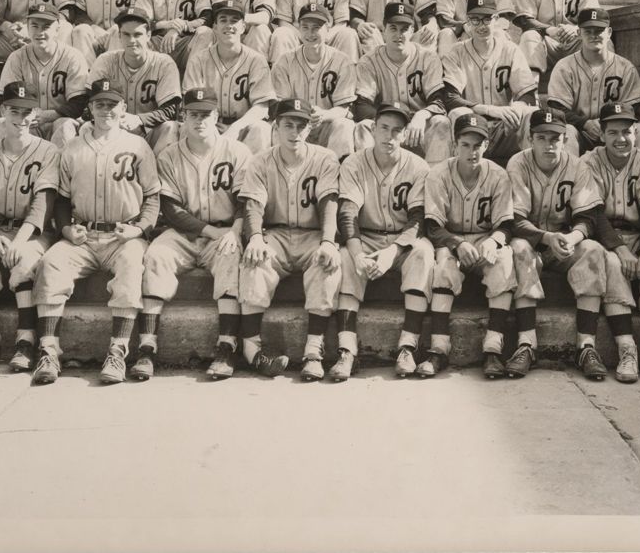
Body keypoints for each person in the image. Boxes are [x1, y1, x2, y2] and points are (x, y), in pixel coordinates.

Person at [32, 78, 161, 385]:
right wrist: (65, 228)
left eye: (112, 104)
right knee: (51, 264)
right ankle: (49, 351)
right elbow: (62, 199)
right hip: (84, 236)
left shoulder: (138, 145)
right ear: (89, 108)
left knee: (131, 267)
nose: (106, 110)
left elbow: (153, 196)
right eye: (99, 104)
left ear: (124, 108)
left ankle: (118, 351)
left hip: (123, 233)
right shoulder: (73, 147)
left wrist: (140, 229)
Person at [135, 88, 252, 381]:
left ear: (217, 117)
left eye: (206, 114)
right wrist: (212, 232)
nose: (200, 120)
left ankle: (227, 346)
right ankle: (146, 347)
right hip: (185, 232)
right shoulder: (169, 155)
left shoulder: (237, 151)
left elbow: (245, 201)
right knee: (156, 255)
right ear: (182, 118)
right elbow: (171, 210)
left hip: (226, 228)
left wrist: (236, 231)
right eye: (194, 114)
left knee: (230, 255)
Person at [236, 99, 342, 380]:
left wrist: (329, 241)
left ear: (309, 130)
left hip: (312, 234)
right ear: (275, 127)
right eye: (288, 125)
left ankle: (313, 352)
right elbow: (253, 206)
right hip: (277, 234)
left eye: (301, 126)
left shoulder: (325, 157)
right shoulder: (260, 160)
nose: (294, 132)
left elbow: (329, 201)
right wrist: (256, 237)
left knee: (328, 264)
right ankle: (252, 351)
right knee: (253, 260)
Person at [332, 102, 436, 381]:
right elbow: (347, 214)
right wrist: (356, 254)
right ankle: (346, 349)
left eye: (397, 131)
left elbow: (417, 220)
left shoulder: (417, 166)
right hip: (365, 236)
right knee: (343, 256)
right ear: (373, 129)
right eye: (384, 128)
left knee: (424, 253)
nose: (389, 136)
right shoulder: (354, 162)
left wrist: (392, 252)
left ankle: (407, 347)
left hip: (402, 241)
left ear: (404, 135)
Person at [0, 82, 60, 373]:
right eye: (15, 111)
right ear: (3, 111)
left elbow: (44, 203)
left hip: (33, 231)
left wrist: (18, 240)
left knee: (25, 260)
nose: (21, 118)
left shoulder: (48, 151)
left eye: (27, 111)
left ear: (35, 114)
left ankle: (25, 340)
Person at [506, 109, 609, 381]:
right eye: (542, 137)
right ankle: (527, 344)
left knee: (594, 250)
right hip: (533, 240)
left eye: (555, 138)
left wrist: (573, 238)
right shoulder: (518, 163)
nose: (549, 144)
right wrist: (547, 238)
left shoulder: (577, 166)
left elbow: (587, 218)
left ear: (565, 140)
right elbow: (514, 220)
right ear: (530, 139)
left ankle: (586, 347)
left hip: (564, 242)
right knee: (518, 248)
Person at [582, 103, 640, 385]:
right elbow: (594, 214)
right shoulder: (589, 161)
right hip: (605, 236)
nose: (621, 139)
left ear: (636, 133)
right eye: (613, 132)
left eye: (627, 131)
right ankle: (627, 349)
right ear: (602, 134)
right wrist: (621, 250)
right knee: (611, 264)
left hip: (638, 233)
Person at [425, 114, 518, 379]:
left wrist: (493, 240)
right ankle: (439, 348)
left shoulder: (499, 175)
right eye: (465, 144)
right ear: (455, 145)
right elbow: (432, 226)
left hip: (485, 239)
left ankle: (493, 349)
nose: (471, 151)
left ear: (486, 146)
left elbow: (507, 224)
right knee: (443, 264)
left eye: (477, 145)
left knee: (504, 260)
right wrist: (455, 243)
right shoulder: (439, 174)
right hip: (451, 238)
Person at [442, 0, 578, 164]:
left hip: (504, 127)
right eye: (475, 20)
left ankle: (533, 172)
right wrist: (491, 109)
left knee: (530, 113)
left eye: (487, 19)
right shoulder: (456, 52)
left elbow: (527, 95)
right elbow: (450, 98)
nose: (481, 25)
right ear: (467, 23)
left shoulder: (510, 50)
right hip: (472, 126)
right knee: (457, 113)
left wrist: (516, 108)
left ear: (496, 20)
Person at [547, 8, 640, 157]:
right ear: (578, 34)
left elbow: (633, 108)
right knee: (567, 132)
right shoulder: (564, 66)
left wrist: (609, 125)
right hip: (581, 133)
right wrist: (584, 124)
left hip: (617, 131)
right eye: (588, 31)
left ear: (609, 33)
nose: (594, 35)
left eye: (599, 30)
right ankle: (566, 179)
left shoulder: (625, 67)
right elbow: (558, 109)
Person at [354, 2, 452, 164]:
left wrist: (421, 116)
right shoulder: (369, 61)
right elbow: (362, 105)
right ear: (383, 30)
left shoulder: (427, 58)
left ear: (413, 31)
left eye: (404, 29)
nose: (398, 34)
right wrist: (388, 123)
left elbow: (439, 100)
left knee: (441, 123)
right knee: (364, 126)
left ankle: (435, 182)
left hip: (418, 127)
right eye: (393, 28)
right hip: (386, 124)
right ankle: (369, 180)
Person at [182, 0, 276, 156]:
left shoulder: (256, 60)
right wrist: (211, 126)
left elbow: (262, 106)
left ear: (243, 27)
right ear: (215, 27)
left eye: (234, 21)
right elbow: (192, 104)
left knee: (262, 129)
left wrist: (236, 127)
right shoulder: (198, 60)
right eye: (223, 20)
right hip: (208, 123)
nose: (229, 25)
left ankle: (251, 178)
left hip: (244, 126)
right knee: (185, 128)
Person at [86, 7, 182, 150]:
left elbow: (171, 110)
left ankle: (159, 171)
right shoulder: (105, 60)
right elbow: (88, 102)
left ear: (148, 35)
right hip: (112, 130)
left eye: (137, 34)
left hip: (149, 131)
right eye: (126, 34)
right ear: (119, 35)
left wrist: (139, 120)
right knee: (84, 127)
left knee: (170, 127)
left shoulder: (164, 63)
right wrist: (114, 121)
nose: (132, 40)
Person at [270, 3, 357, 160]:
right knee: (275, 127)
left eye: (316, 27)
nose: (310, 33)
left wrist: (325, 114)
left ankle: (337, 176)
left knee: (345, 125)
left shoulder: (342, 61)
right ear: (299, 29)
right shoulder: (284, 62)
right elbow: (280, 106)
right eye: (305, 27)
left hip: (326, 127)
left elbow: (344, 108)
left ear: (328, 28)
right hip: (295, 128)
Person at [0, 3, 89, 147]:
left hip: (61, 120)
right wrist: (27, 115)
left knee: (65, 127)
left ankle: (61, 169)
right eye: (34, 26)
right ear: (27, 28)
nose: (40, 32)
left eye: (46, 26)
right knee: (4, 126)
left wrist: (49, 115)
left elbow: (79, 102)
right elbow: (5, 98)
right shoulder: (16, 58)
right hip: (29, 121)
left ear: (57, 29)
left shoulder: (73, 57)